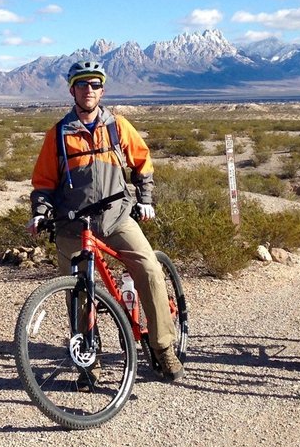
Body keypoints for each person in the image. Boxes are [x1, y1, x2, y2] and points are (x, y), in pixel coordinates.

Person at [27, 60, 184, 385]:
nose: (89, 90)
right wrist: (40, 212)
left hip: (116, 218)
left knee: (150, 270)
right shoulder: (57, 135)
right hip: (73, 225)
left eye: (95, 84)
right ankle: (89, 360)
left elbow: (143, 162)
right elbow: (43, 182)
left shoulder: (118, 126)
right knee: (78, 293)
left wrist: (145, 200)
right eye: (82, 85)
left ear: (103, 89)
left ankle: (163, 346)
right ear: (72, 90)